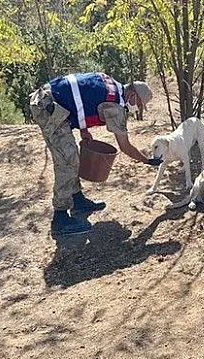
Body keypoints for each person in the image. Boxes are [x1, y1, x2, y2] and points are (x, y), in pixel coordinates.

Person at [29, 72, 162, 238]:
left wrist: (83, 129)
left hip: (49, 99)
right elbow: (125, 146)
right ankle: (60, 218)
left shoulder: (111, 83)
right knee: (67, 160)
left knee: (72, 157)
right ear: (133, 95)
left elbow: (81, 96)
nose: (137, 109)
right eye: (140, 105)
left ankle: (77, 200)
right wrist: (147, 160)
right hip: (47, 106)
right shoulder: (116, 106)